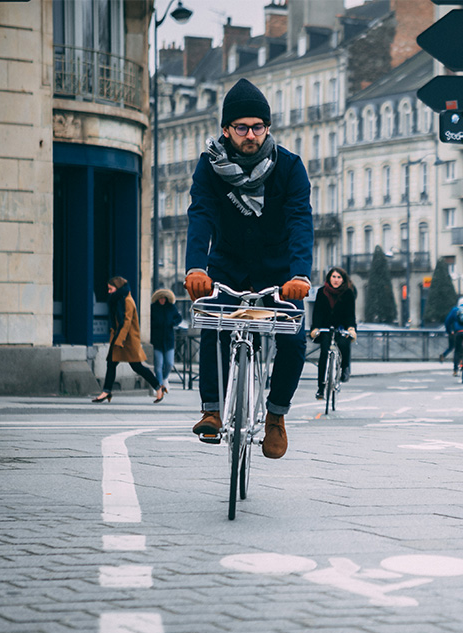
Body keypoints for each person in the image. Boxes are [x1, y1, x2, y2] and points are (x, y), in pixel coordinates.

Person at [183, 78, 313, 458]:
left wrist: (300, 275)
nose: (251, 135)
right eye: (241, 127)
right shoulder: (209, 167)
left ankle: (276, 416)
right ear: (226, 130)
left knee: (294, 338)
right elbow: (201, 214)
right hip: (226, 266)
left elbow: (300, 220)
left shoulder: (289, 167)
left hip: (280, 273)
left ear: (268, 128)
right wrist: (195, 268)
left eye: (258, 126)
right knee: (212, 324)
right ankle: (212, 410)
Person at [93, 277, 165, 403]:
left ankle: (158, 387)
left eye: (111, 289)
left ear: (118, 288)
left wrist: (119, 340)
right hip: (120, 337)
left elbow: (127, 322)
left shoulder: (127, 300)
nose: (109, 291)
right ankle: (106, 391)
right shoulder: (118, 300)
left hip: (127, 340)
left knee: (137, 367)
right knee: (111, 363)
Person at [309, 267, 357, 399]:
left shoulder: (348, 293)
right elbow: (317, 312)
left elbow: (350, 314)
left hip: (341, 326)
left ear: (343, 279)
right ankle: (320, 388)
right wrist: (315, 328)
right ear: (329, 278)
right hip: (325, 327)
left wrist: (351, 328)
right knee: (324, 352)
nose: (336, 280)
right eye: (334, 277)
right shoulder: (321, 292)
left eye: (339, 277)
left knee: (343, 343)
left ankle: (345, 368)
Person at [150, 288, 182, 397]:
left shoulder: (171, 308)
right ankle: (159, 386)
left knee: (169, 363)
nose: (162, 300)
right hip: (157, 340)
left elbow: (179, 318)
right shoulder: (153, 308)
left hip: (168, 339)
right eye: (160, 298)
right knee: (158, 364)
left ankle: (165, 378)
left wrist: (173, 323)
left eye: (164, 298)